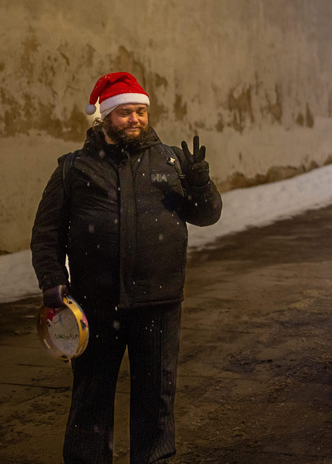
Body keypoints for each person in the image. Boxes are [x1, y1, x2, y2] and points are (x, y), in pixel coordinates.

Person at [30, 71, 222, 463]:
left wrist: (200, 184)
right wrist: (52, 281)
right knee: (91, 398)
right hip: (95, 304)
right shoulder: (73, 169)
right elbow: (46, 232)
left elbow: (207, 216)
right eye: (125, 113)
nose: (135, 119)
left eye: (141, 111)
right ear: (104, 118)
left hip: (159, 302)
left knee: (156, 399)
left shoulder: (169, 161)